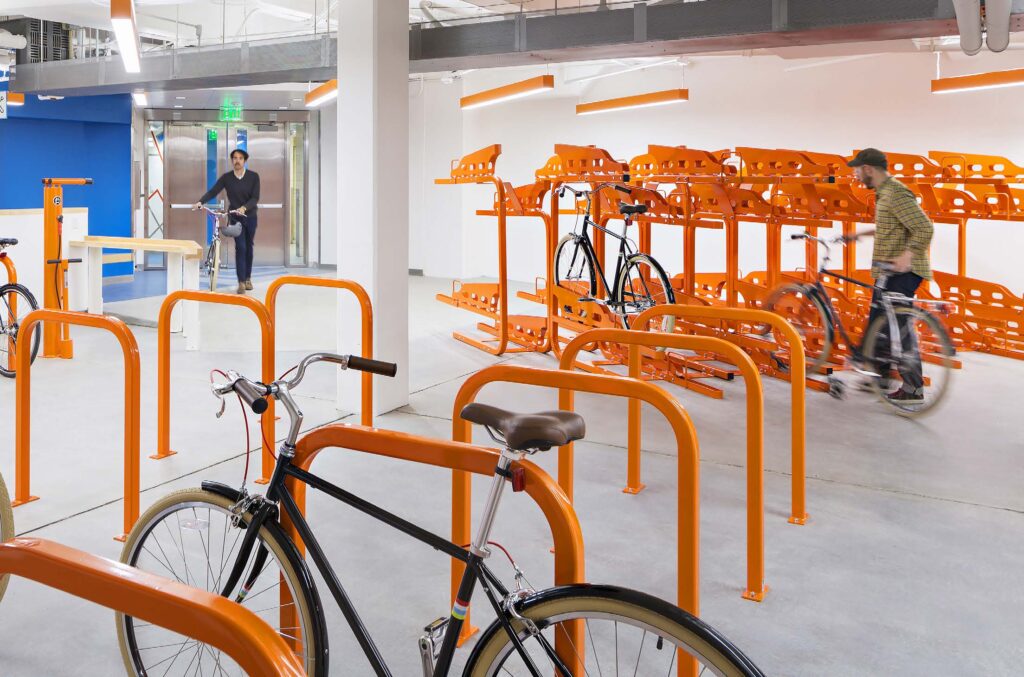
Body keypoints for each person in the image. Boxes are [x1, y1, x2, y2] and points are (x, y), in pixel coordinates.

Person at [845, 148, 934, 404]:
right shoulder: (884, 195)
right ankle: (879, 375)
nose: (856, 175)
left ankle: (913, 388)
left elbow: (924, 227)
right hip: (888, 270)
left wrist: (908, 255)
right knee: (878, 321)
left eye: (857, 170)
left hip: (904, 270)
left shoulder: (896, 193)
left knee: (899, 328)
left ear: (869, 169)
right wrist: (863, 234)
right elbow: (894, 225)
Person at [193, 149, 260, 294]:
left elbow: (255, 198)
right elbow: (213, 191)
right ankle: (241, 282)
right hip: (235, 218)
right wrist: (200, 201)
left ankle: (248, 278)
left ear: (245, 160)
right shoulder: (227, 178)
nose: (237, 161)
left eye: (240, 158)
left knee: (249, 247)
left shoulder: (254, 177)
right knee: (240, 247)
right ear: (232, 161)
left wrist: (245, 207)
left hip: (251, 217)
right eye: (235, 158)